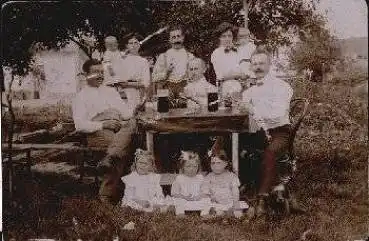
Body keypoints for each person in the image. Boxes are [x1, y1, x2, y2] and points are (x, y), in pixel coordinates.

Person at [72, 59, 138, 204]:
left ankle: (110, 158)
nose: (100, 75)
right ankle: (107, 193)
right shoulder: (81, 97)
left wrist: (120, 117)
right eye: (96, 72)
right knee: (124, 149)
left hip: (118, 128)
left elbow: (127, 114)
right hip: (98, 132)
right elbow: (79, 125)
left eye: (102, 72)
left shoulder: (110, 91)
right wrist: (104, 124)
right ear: (86, 75)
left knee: (132, 124)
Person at [240, 47, 293, 216]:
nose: (257, 67)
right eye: (254, 64)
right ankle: (235, 187)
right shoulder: (251, 89)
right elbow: (244, 109)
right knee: (230, 139)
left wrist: (254, 110)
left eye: (261, 63)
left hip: (280, 132)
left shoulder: (281, 87)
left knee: (270, 153)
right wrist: (240, 102)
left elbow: (277, 114)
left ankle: (262, 197)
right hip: (260, 132)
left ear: (270, 64)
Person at [152, 25, 195, 108]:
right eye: (173, 37)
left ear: (183, 38)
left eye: (178, 36)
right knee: (164, 113)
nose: (176, 39)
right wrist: (166, 72)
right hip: (166, 90)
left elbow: (196, 77)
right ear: (170, 40)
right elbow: (154, 77)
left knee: (185, 116)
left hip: (184, 91)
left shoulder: (190, 57)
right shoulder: (163, 57)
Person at [201, 150, 247, 217]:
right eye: (213, 163)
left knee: (238, 208)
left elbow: (235, 191)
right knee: (208, 208)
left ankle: (230, 212)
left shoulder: (231, 176)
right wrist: (210, 198)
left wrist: (236, 204)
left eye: (218, 163)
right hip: (216, 203)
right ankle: (218, 213)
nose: (215, 165)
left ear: (226, 163)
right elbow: (205, 191)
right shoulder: (209, 177)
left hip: (230, 202)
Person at [211, 22, 246, 105]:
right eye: (224, 36)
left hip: (240, 86)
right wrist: (238, 74)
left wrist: (238, 74)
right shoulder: (216, 53)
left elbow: (245, 72)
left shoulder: (238, 52)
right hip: (225, 86)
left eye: (229, 36)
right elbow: (221, 75)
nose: (227, 39)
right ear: (219, 38)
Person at [171, 150, 212, 217]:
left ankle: (204, 213)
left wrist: (199, 196)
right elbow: (174, 193)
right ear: (183, 167)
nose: (192, 169)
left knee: (207, 200)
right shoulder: (179, 178)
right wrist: (184, 197)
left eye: (195, 166)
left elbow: (205, 191)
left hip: (197, 201)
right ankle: (180, 213)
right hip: (184, 202)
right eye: (188, 166)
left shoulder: (200, 178)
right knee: (177, 200)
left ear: (198, 167)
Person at [116, 33, 151, 110]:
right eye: (130, 43)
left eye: (136, 43)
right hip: (125, 93)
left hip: (139, 93)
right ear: (127, 46)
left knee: (138, 113)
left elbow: (146, 83)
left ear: (139, 45)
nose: (133, 45)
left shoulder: (143, 61)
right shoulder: (122, 60)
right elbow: (119, 80)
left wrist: (128, 83)